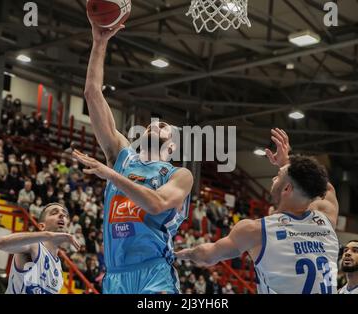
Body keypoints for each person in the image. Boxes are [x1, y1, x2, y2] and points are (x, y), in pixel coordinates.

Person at [77, 19, 193, 294]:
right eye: (155, 122)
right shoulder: (123, 155)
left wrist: (111, 175)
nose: (156, 124)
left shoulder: (178, 175)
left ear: (173, 148)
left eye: (165, 126)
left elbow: (157, 204)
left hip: (154, 273)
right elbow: (92, 95)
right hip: (115, 274)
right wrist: (99, 43)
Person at [176, 129, 340, 294]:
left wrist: (182, 254)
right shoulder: (326, 216)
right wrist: (288, 164)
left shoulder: (257, 230)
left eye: (278, 174)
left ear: (287, 188)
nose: (274, 179)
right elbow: (325, 187)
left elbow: (207, 256)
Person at [0, 203, 80, 294]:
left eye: (64, 214)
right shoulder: (34, 246)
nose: (62, 215)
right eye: (54, 213)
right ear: (42, 226)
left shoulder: (59, 268)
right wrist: (48, 235)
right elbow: (2, 243)